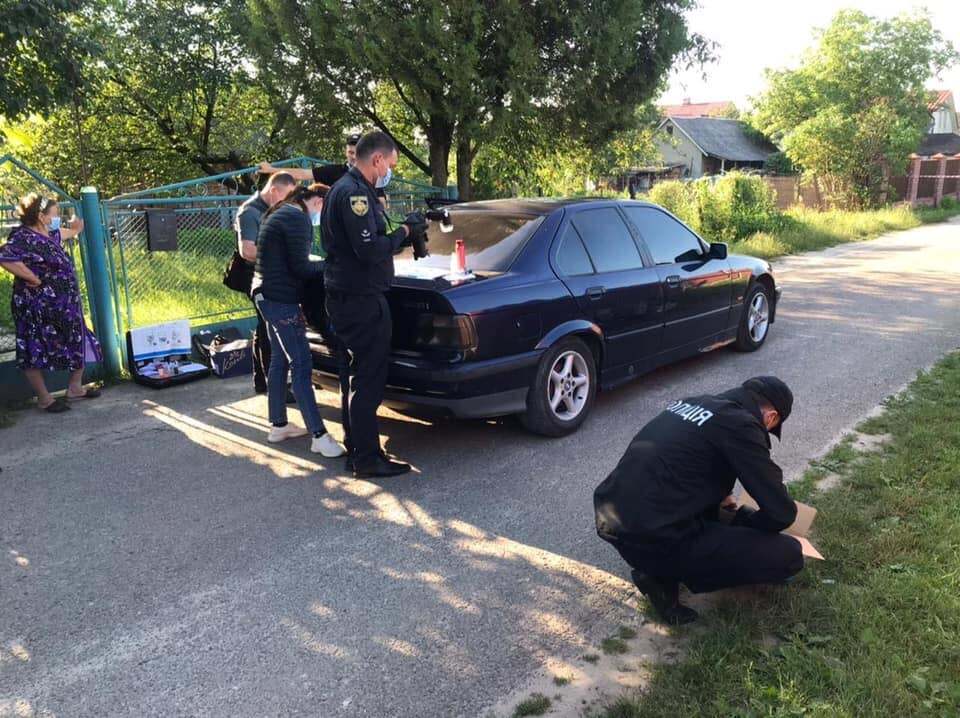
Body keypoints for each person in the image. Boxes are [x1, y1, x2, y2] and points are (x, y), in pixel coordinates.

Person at [593, 377, 803, 624]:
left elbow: (684, 464)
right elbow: (781, 513)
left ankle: (659, 562)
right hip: (653, 536)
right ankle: (659, 575)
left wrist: (721, 501)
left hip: (614, 518)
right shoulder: (742, 425)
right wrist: (748, 527)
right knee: (789, 554)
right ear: (771, 417)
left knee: (724, 514)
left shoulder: (695, 403)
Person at [321, 131, 427, 478]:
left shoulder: (346, 188)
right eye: (389, 165)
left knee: (355, 378)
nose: (389, 172)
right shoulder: (355, 194)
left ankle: (358, 449)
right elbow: (369, 250)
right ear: (377, 159)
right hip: (361, 299)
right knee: (368, 379)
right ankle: (367, 458)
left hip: (347, 295)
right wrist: (405, 233)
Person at [251, 183, 345, 458]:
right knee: (302, 364)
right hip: (280, 300)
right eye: (325, 210)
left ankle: (278, 425)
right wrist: (333, 263)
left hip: (265, 294)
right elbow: (301, 267)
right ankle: (319, 436)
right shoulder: (297, 218)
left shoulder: (281, 211)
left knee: (280, 359)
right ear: (319, 201)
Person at [0, 194, 101, 412]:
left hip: (64, 304)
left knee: (78, 336)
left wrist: (76, 229)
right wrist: (32, 277)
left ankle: (75, 387)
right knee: (34, 345)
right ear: (40, 216)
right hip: (36, 305)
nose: (57, 218)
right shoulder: (23, 237)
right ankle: (45, 398)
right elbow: (4, 256)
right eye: (54, 214)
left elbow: (64, 233)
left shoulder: (48, 233)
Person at [235, 171, 298, 396]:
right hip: (257, 278)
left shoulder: (272, 209)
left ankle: (262, 381)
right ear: (273, 191)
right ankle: (276, 387)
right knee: (271, 331)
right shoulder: (250, 212)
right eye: (286, 197)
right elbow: (247, 251)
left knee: (264, 328)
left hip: (271, 276)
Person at [258, 133, 388, 207]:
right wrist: (272, 169)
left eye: (357, 153)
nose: (353, 156)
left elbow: (381, 203)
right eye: (350, 152)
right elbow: (303, 174)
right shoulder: (334, 171)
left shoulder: (372, 175)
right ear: (345, 152)